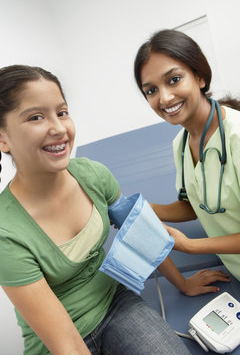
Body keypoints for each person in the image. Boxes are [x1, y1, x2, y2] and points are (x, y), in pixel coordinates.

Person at [0, 64, 196, 355]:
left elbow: (142, 232)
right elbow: (67, 345)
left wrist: (183, 283)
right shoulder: (6, 232)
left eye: (62, 112)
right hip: (56, 340)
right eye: (36, 117)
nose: (59, 128)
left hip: (114, 302)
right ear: (3, 138)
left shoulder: (93, 175)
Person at [134, 29, 240, 287]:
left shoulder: (236, 138)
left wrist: (191, 246)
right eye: (151, 90)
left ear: (200, 77)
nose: (165, 98)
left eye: (174, 80)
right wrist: (143, 209)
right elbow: (194, 204)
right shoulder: (180, 144)